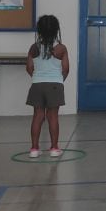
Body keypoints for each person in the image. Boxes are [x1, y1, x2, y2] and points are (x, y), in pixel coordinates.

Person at [25, 14, 69, 158]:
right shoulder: (61, 48)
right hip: (55, 85)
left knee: (37, 116)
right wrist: (59, 80)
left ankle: (34, 149)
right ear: (56, 30)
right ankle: (54, 148)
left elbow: (29, 67)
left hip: (37, 85)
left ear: (39, 30)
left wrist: (37, 78)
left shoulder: (34, 47)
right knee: (53, 116)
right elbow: (66, 69)